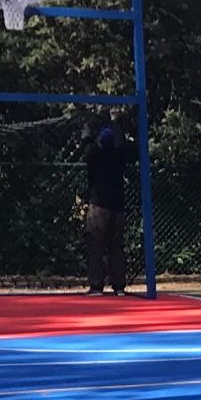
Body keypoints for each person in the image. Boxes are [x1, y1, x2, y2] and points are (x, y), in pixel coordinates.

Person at [81, 119, 129, 294]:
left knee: (96, 245)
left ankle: (96, 285)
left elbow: (87, 151)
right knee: (117, 246)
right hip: (118, 206)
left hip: (99, 206)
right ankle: (119, 286)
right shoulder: (119, 157)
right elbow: (122, 144)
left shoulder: (95, 155)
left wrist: (86, 133)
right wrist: (116, 123)